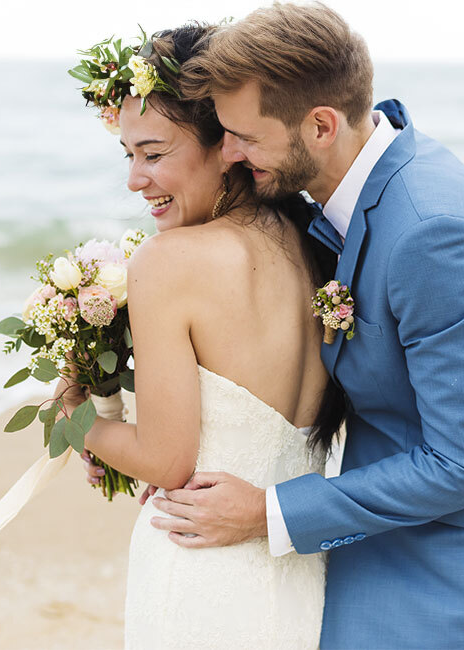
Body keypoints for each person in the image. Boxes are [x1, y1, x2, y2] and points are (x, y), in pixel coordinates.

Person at [147, 4, 464, 649]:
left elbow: (463, 463)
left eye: (244, 136)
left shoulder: (436, 234)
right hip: (389, 536)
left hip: (456, 577)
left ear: (321, 125)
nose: (232, 156)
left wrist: (266, 511)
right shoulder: (353, 190)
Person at [55, 23, 345, 648]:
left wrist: (74, 418)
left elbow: (165, 461)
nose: (136, 179)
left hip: (200, 575)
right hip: (297, 574)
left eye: (154, 154)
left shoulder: (169, 262)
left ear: (227, 146)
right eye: (128, 155)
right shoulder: (313, 246)